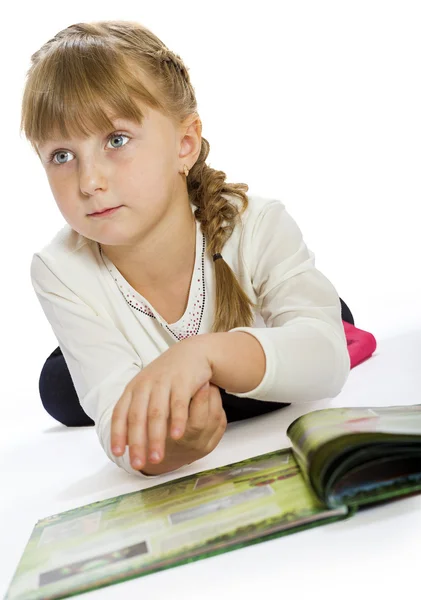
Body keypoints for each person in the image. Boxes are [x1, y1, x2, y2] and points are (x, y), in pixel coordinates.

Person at [22, 20, 351, 479]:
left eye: (116, 140)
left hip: (240, 334)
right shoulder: (58, 268)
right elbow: (122, 433)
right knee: (59, 391)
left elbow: (329, 363)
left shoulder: (258, 223)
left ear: (185, 144)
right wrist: (175, 448)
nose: (89, 181)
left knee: (327, 328)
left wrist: (202, 354)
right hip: (144, 355)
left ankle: (284, 327)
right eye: (61, 155)